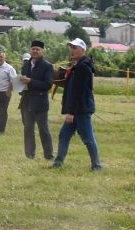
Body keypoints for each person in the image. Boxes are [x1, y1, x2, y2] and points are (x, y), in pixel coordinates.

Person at [51, 39, 101, 170]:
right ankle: (58, 163)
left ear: (83, 50)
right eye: (71, 47)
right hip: (76, 109)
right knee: (64, 135)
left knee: (88, 138)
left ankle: (97, 166)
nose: (72, 50)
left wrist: (71, 112)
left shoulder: (83, 68)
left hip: (81, 110)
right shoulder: (77, 66)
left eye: (75, 47)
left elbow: (79, 92)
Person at [19, 40, 54, 161]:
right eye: (33, 49)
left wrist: (30, 81)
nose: (34, 51)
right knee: (28, 129)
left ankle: (48, 155)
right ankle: (29, 154)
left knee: (43, 129)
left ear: (42, 51)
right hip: (26, 101)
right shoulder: (26, 65)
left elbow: (48, 85)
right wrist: (19, 85)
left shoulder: (47, 66)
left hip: (40, 103)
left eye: (37, 49)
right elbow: (23, 81)